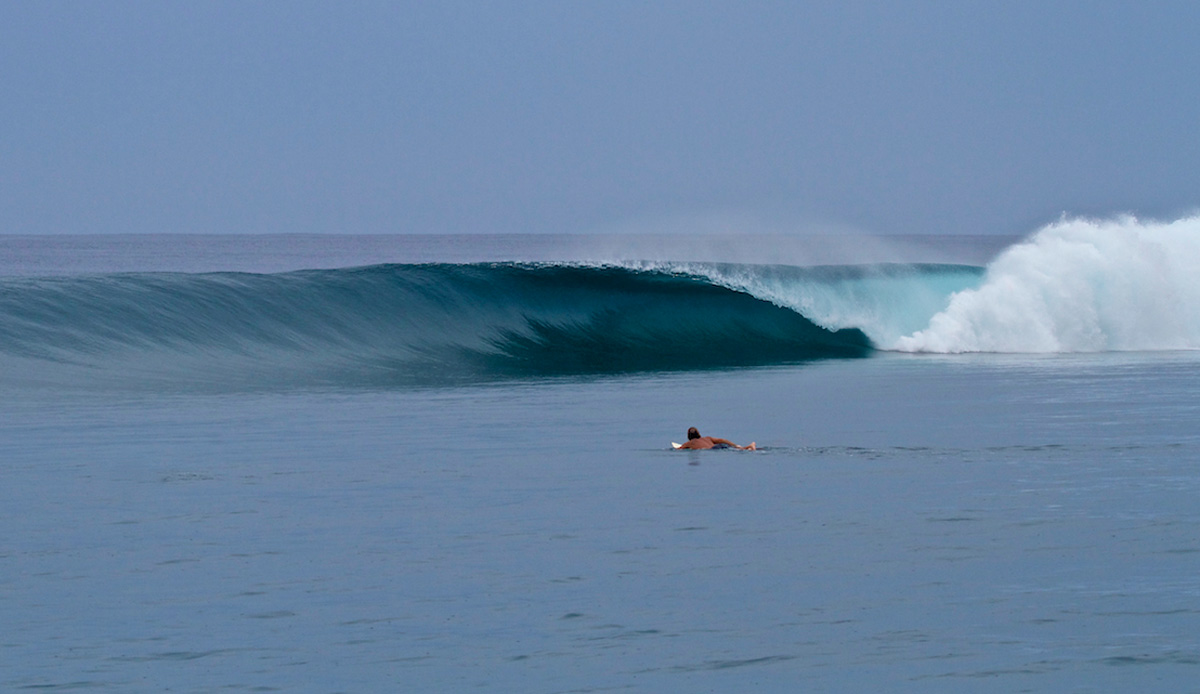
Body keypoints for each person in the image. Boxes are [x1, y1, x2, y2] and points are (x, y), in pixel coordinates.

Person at [676, 427, 756, 450]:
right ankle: (748, 447)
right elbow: (722, 440)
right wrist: (735, 445)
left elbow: (679, 448)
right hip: (719, 446)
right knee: (736, 449)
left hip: (713, 450)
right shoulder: (707, 438)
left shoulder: (690, 443)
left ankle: (748, 447)